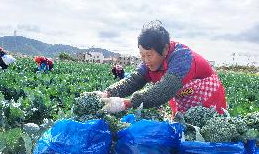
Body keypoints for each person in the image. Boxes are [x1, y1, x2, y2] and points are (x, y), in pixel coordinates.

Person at [92, 20, 227, 117]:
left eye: (149, 55)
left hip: (208, 98)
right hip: (183, 99)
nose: (146, 60)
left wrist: (126, 103)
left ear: (165, 49)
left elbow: (164, 90)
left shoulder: (182, 56)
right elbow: (134, 80)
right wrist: (107, 93)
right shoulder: (148, 64)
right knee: (186, 133)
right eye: (142, 55)